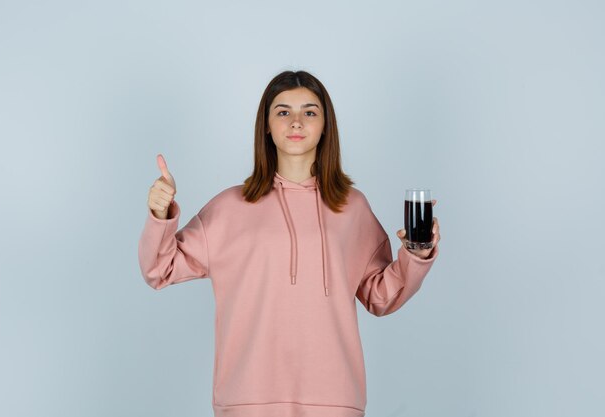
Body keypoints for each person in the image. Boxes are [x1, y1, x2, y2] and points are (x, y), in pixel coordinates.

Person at [138, 70, 441, 417]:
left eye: (310, 112)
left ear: (326, 125)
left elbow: (379, 296)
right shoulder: (229, 207)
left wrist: (416, 254)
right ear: (266, 125)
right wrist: (160, 214)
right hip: (247, 400)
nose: (296, 122)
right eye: (283, 111)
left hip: (334, 399)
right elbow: (159, 269)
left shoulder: (352, 207)